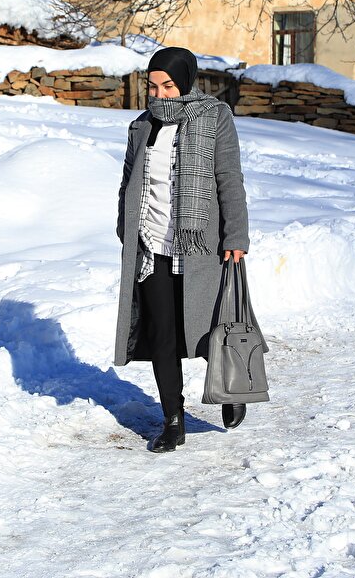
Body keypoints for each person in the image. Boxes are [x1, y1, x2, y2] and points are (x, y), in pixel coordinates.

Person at [115, 46, 250, 452]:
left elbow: (229, 179)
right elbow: (127, 182)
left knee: (210, 328)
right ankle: (173, 420)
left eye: (168, 86)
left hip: (200, 246)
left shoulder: (215, 116)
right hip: (152, 244)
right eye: (153, 86)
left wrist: (236, 237)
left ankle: (230, 387)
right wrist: (126, 230)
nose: (159, 94)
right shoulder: (142, 126)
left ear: (186, 82)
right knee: (162, 336)